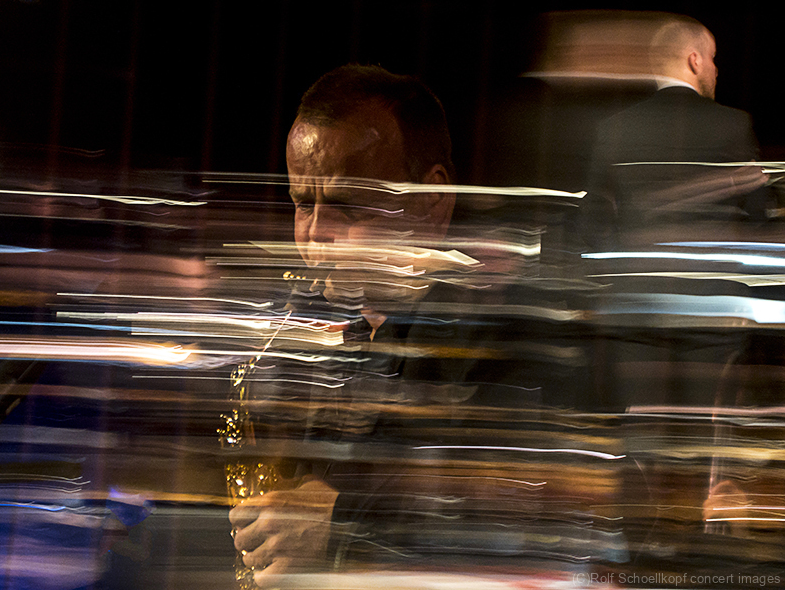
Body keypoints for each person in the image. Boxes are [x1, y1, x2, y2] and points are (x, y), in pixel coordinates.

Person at [229, 65, 606, 587]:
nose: (314, 236)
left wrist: (343, 522)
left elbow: (529, 507)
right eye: (302, 204)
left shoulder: (517, 330)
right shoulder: (302, 331)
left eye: (345, 206)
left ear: (432, 198)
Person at [584, 14, 767, 249]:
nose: (716, 70)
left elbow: (594, 220)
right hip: (713, 269)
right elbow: (756, 216)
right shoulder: (734, 124)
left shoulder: (614, 127)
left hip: (637, 267)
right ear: (695, 60)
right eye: (712, 58)